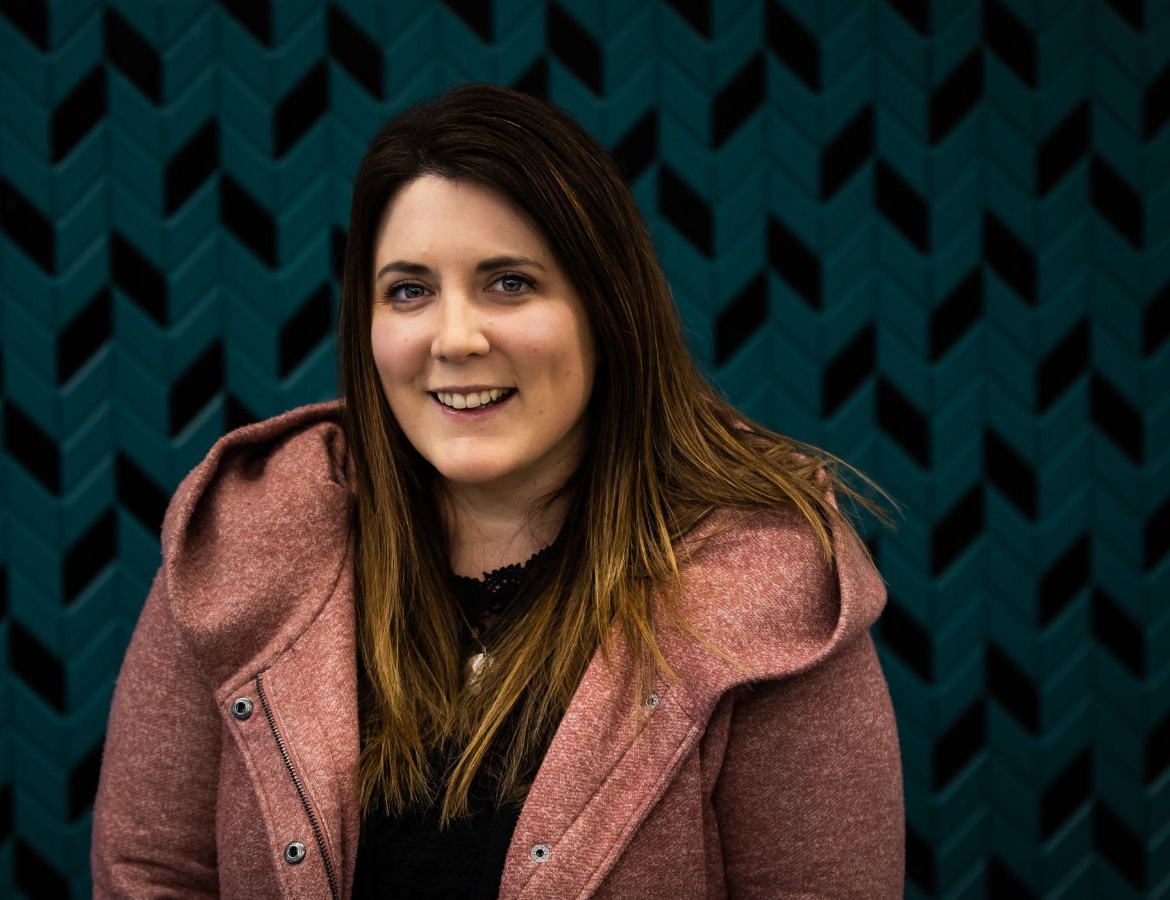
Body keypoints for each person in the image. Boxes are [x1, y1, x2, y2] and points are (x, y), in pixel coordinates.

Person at [91, 81, 905, 899]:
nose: (454, 338)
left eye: (509, 283)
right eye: (409, 290)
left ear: (607, 306)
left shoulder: (763, 591)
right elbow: (150, 874)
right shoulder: (249, 533)